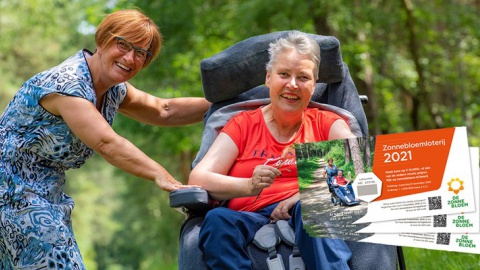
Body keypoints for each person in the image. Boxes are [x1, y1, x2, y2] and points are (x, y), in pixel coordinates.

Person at [0, 9, 210, 269]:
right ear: (102, 40)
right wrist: (162, 175)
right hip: (14, 196)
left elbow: (164, 110)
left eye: (141, 53)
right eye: (123, 45)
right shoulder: (68, 86)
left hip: (42, 196)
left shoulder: (112, 89)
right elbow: (107, 143)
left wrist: (234, 104)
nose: (130, 58)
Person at [189, 31, 356, 269]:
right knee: (216, 221)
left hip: (304, 213)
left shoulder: (326, 122)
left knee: (313, 206)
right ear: (268, 78)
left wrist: (301, 196)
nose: (292, 85)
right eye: (284, 74)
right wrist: (248, 185)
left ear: (314, 83)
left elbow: (359, 165)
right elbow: (198, 178)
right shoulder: (243, 124)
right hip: (248, 215)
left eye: (303, 77)